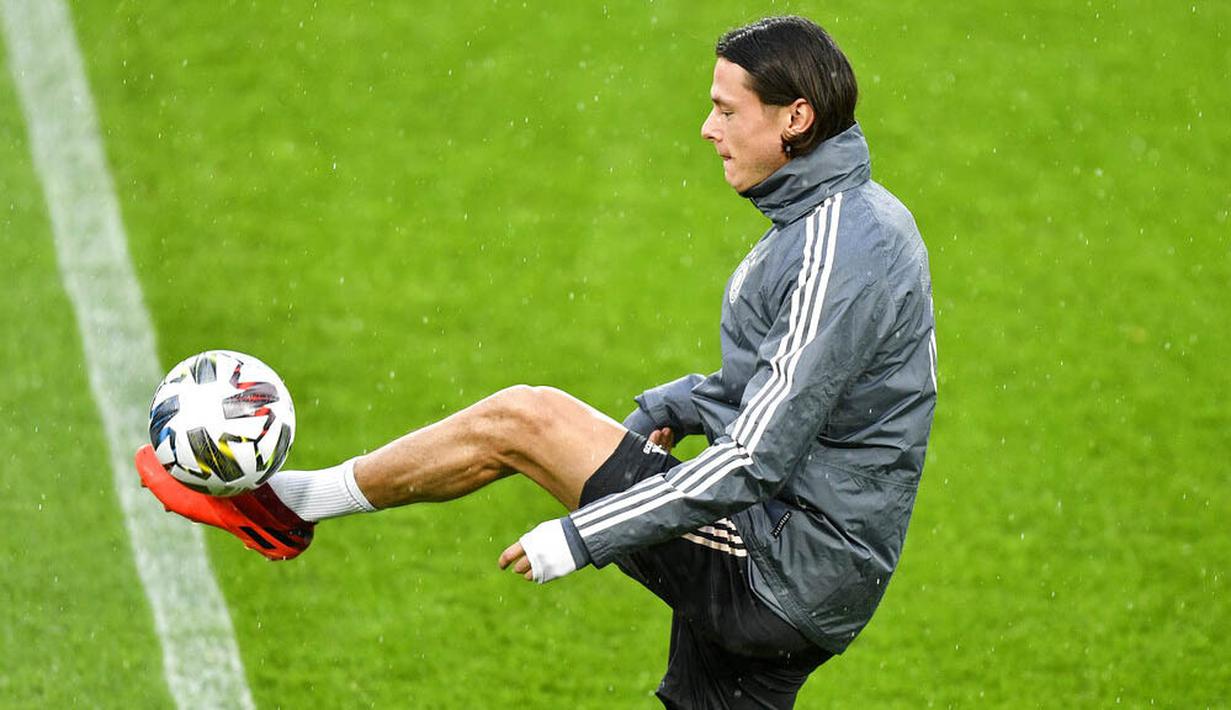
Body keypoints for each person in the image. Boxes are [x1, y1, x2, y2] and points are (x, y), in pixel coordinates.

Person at [136, 16, 937, 708]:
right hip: (807, 566)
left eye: (726, 109)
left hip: (783, 565)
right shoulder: (831, 222)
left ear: (794, 117)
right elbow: (790, 387)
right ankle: (295, 504)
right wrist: (678, 404)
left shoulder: (842, 245)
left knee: (524, 420)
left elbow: (759, 456)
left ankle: (291, 505)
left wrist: (584, 535)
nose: (706, 127)